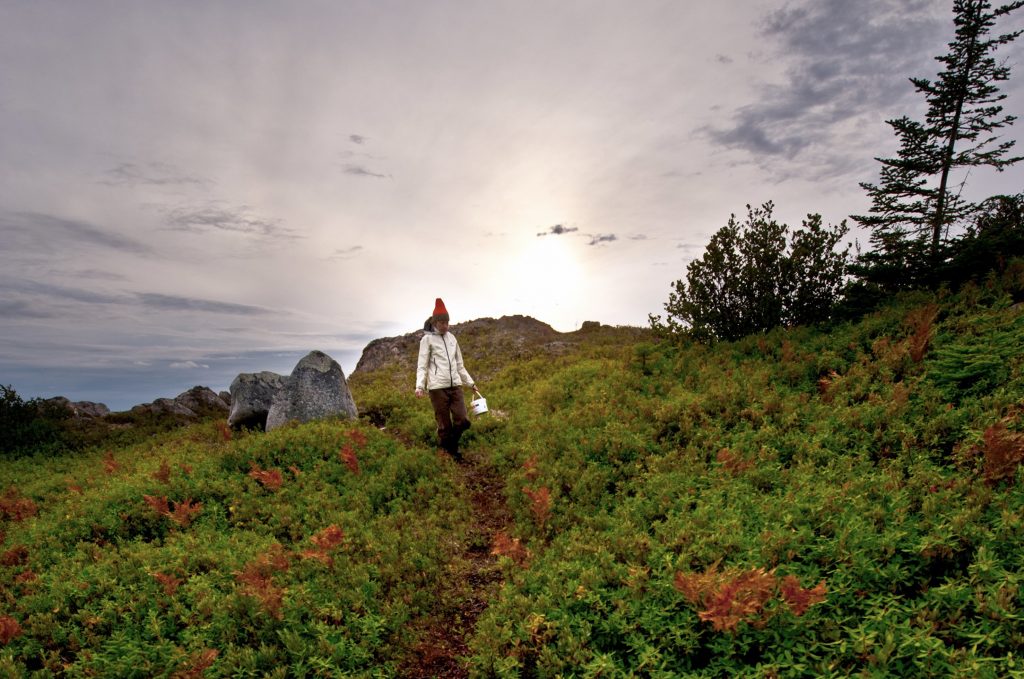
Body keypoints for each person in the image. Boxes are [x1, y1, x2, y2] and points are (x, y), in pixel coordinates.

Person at [415, 298, 479, 460]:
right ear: (435, 322)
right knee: (444, 425)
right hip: (437, 388)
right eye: (442, 322)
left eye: (447, 322)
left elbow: (460, 365)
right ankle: (451, 453)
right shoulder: (427, 340)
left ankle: (449, 446)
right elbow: (422, 365)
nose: (445, 326)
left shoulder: (452, 339)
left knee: (463, 420)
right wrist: (420, 386)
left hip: (455, 386)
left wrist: (470, 382)